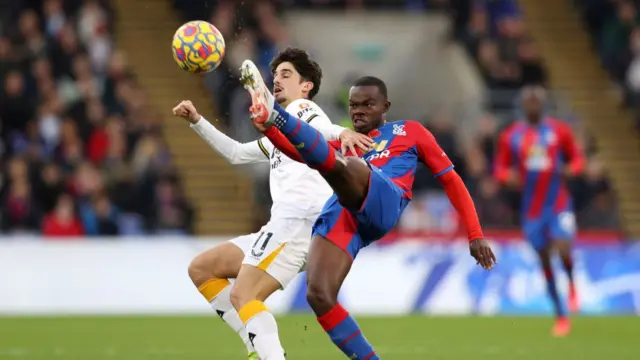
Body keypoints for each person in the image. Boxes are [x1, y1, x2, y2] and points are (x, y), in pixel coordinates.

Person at [239, 59, 497, 360]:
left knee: (347, 165)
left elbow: (452, 180)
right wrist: (269, 131)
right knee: (319, 294)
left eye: (367, 104)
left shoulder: (409, 131)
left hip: (385, 197)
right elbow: (301, 154)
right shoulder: (347, 139)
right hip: (344, 211)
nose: (358, 111)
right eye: (353, 105)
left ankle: (277, 114)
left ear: (385, 106)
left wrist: (475, 233)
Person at [173, 48, 371, 360]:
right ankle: (256, 343)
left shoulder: (304, 109)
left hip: (299, 223)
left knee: (244, 294)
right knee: (203, 269)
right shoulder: (281, 132)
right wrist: (198, 121)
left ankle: (269, 354)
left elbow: (322, 126)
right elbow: (237, 154)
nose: (277, 80)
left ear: (306, 85)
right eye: (275, 75)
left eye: (286, 75)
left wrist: (341, 131)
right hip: (282, 226)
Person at [494, 85, 584, 337]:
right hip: (532, 208)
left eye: (537, 101)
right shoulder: (511, 136)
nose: (533, 105)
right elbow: (499, 168)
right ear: (523, 106)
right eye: (529, 101)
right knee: (544, 258)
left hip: (558, 202)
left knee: (563, 245)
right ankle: (561, 315)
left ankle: (573, 284)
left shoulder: (559, 130)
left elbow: (577, 159)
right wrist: (507, 177)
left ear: (543, 104)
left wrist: (572, 169)